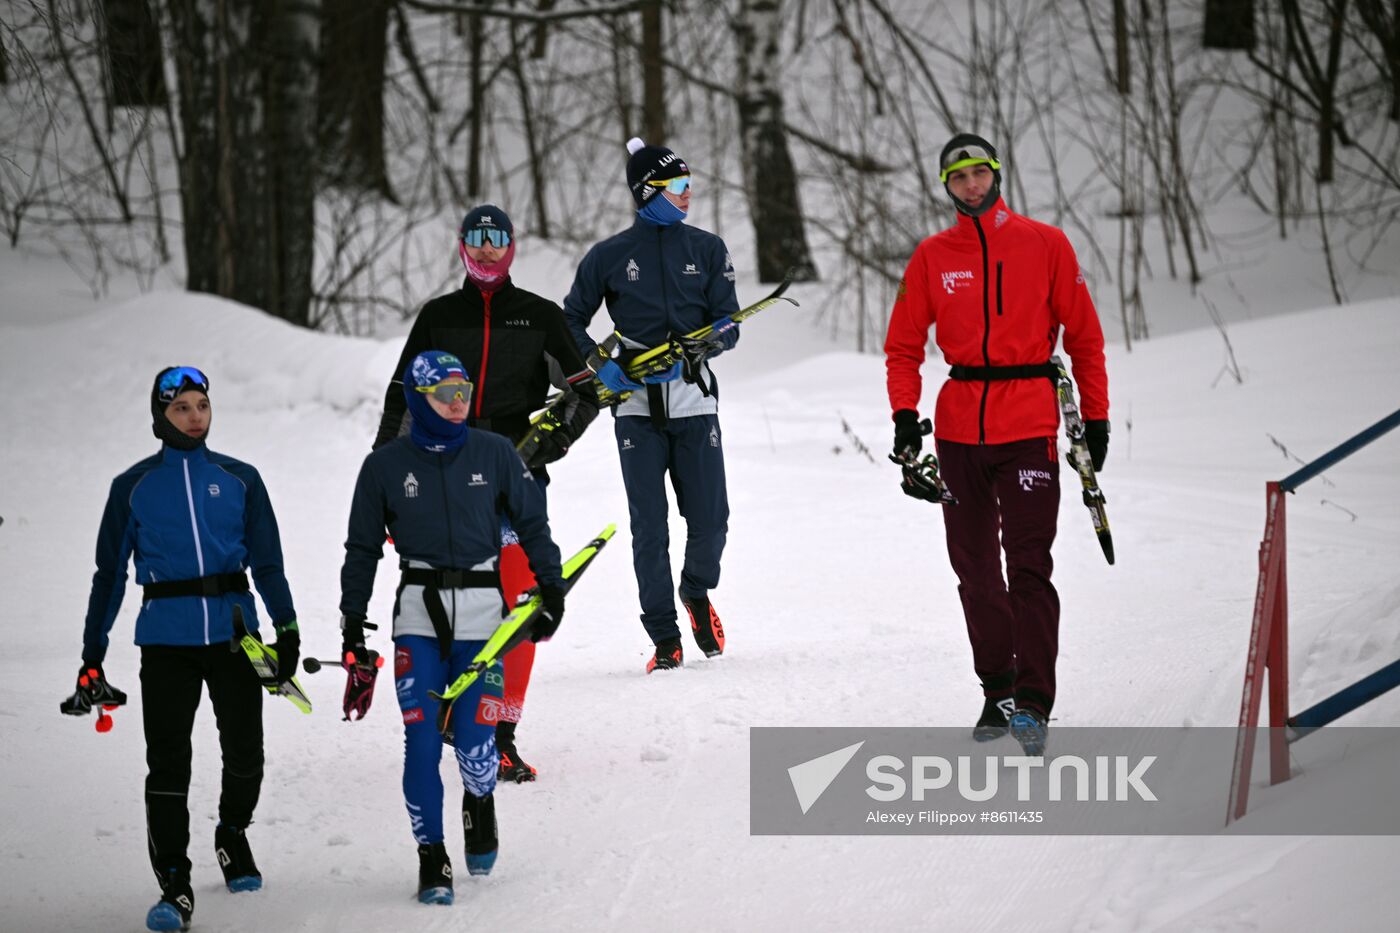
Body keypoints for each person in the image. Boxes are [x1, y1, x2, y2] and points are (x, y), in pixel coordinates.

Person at [882, 133, 1110, 755]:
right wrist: (905, 414)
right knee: (975, 570)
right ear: (946, 187)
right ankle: (998, 685)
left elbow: (1085, 339)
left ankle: (1035, 702)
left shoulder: (1045, 244)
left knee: (1029, 566)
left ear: (996, 174)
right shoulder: (933, 256)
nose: (972, 186)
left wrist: (1096, 420)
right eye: (959, 179)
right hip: (958, 431)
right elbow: (903, 346)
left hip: (1029, 425)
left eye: (979, 173)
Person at [373, 204, 598, 782]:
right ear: (461, 246)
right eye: (477, 239)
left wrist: (550, 446)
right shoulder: (440, 316)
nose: (488, 249)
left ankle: (500, 734)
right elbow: (401, 399)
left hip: (514, 479)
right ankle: (450, 712)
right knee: (450, 603)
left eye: (498, 239)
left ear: (513, 246)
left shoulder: (539, 317)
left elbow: (585, 394)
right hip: (438, 478)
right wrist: (386, 482)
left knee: (520, 606)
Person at [72, 366, 299, 932]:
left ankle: (232, 833)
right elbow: (109, 576)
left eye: (202, 405)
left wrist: (288, 628)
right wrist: (92, 653)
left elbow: (267, 561)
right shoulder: (133, 487)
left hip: (235, 635)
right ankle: (174, 882)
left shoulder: (240, 477)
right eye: (181, 409)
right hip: (165, 640)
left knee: (246, 753)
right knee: (168, 761)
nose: (195, 417)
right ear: (160, 417)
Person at [341, 350, 565, 905]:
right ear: (420, 400)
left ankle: (480, 797)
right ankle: (431, 855)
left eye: (464, 391)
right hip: (417, 612)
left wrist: (551, 588)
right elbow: (363, 548)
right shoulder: (385, 467)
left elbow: (533, 524)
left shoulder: (494, 452)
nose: (458, 403)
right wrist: (352, 623)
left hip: (485, 617)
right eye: (446, 394)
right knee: (420, 743)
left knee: (474, 741)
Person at [562, 137, 738, 673]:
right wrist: (600, 364)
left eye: (690, 185)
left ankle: (695, 590)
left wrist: (709, 340)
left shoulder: (708, 249)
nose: (689, 195)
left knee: (712, 521)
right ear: (649, 192)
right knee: (650, 526)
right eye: (679, 186)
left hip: (693, 401)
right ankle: (664, 637)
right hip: (636, 408)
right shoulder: (610, 255)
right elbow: (569, 320)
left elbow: (730, 323)